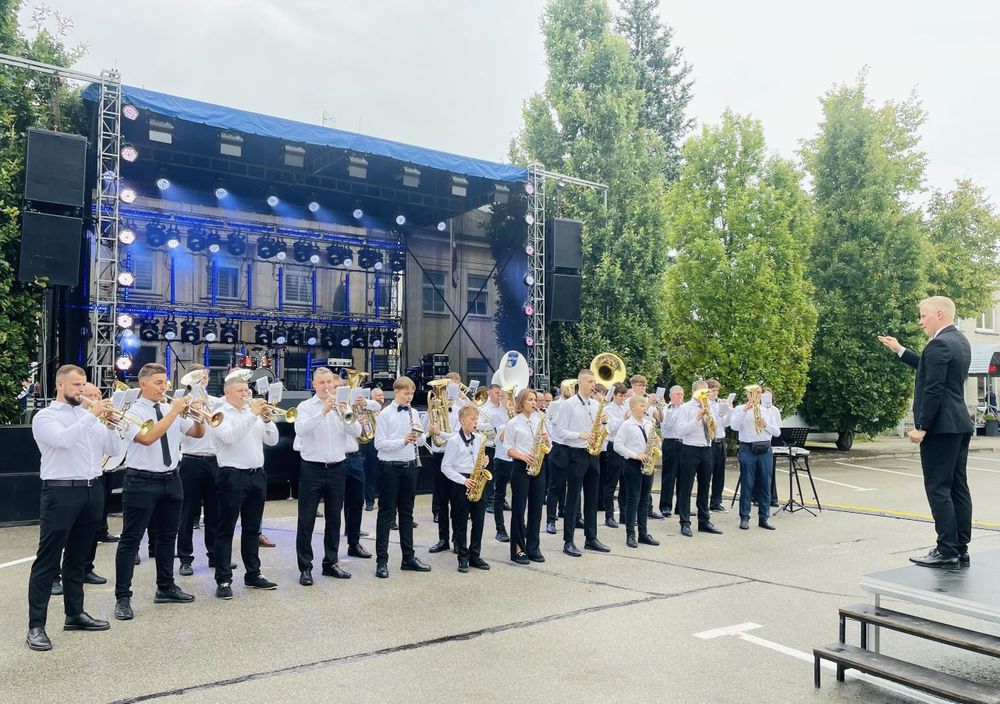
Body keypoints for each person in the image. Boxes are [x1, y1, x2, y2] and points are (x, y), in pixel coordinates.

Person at [26, 365, 123, 651]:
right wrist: (93, 416)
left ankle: (75, 613)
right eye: (76, 385)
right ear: (60, 385)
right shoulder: (46, 416)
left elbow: (114, 451)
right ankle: (36, 626)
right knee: (48, 559)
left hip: (92, 489)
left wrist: (111, 425)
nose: (81, 391)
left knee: (78, 558)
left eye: (83, 385)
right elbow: (63, 440)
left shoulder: (88, 416)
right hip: (60, 491)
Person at [879, 296, 974, 568]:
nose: (920, 321)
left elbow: (933, 388)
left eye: (923, 316)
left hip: (941, 428)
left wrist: (921, 426)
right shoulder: (960, 341)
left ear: (939, 314)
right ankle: (960, 548)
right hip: (958, 425)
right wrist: (900, 350)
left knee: (938, 488)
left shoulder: (938, 343)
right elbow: (929, 367)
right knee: (958, 487)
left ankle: (946, 550)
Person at [113, 363, 204, 621]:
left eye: (165, 382)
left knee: (167, 537)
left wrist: (199, 416)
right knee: (131, 540)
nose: (164, 387)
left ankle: (165, 586)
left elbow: (196, 434)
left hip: (171, 479)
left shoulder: (168, 409)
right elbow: (147, 438)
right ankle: (122, 597)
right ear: (143, 385)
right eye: (158, 383)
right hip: (141, 480)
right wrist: (174, 412)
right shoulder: (132, 412)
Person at [211, 375, 279, 598]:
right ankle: (223, 580)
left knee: (252, 529)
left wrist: (267, 421)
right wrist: (252, 415)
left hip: (256, 475)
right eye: (240, 390)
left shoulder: (254, 414)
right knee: (226, 529)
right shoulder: (220, 414)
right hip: (232, 476)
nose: (245, 394)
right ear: (227, 392)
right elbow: (230, 437)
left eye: (246, 390)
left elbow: (272, 441)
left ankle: (253, 574)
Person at [293, 367, 361, 585]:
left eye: (329, 382)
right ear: (314, 385)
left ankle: (330, 563)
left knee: (334, 519)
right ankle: (305, 567)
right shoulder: (305, 407)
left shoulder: (342, 406)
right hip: (312, 468)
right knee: (306, 520)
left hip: (337, 468)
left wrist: (344, 414)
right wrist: (323, 411)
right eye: (321, 383)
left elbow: (357, 432)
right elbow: (301, 430)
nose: (326, 386)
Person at [373, 377, 432, 579]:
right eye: (406, 393)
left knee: (407, 513)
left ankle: (408, 557)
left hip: (410, 466)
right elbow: (379, 444)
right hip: (390, 467)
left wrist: (419, 434)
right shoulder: (385, 414)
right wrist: (402, 441)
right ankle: (382, 561)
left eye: (412, 394)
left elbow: (421, 441)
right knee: (386, 514)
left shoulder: (413, 412)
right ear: (396, 392)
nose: (409, 397)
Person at [550, 368, 610, 556]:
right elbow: (560, 431)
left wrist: (603, 423)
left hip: (593, 454)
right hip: (575, 453)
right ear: (580, 383)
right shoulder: (568, 405)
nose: (593, 385)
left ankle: (591, 538)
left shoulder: (595, 404)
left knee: (592, 498)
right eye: (590, 382)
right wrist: (580, 435)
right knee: (573, 498)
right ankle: (568, 541)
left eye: (594, 382)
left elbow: (599, 428)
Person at [175, 365, 223, 576]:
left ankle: (215, 555)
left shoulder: (216, 402)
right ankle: (185, 558)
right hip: (191, 460)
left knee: (215, 512)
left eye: (204, 378)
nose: (202, 381)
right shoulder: (181, 405)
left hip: (214, 460)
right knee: (187, 512)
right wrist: (193, 412)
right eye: (197, 379)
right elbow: (180, 435)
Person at [439, 406, 492, 572]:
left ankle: (475, 555)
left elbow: (477, 460)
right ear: (462, 420)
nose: (476, 422)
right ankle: (462, 557)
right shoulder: (454, 440)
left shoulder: (479, 438)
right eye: (472, 419)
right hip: (461, 482)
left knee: (479, 520)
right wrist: (463, 481)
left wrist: (484, 462)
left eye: (476, 419)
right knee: (460, 521)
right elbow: (445, 467)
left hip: (477, 479)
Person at [504, 389, 549, 564]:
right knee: (519, 509)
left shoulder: (539, 420)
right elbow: (507, 448)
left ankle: (533, 547)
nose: (534, 402)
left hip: (538, 466)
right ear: (521, 402)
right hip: (521, 467)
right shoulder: (513, 423)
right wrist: (523, 456)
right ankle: (518, 550)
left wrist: (546, 440)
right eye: (530, 399)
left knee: (536, 509)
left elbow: (549, 446)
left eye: (535, 399)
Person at [673, 380, 723, 537]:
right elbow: (680, 431)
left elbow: (713, 429)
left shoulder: (709, 407)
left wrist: (713, 424)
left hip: (706, 448)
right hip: (690, 449)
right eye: (702, 392)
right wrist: (697, 418)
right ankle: (685, 522)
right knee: (686, 487)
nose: (705, 395)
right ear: (694, 392)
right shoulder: (685, 408)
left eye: (706, 392)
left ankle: (704, 521)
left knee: (705, 486)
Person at [729, 386, 780, 530]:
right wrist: (745, 409)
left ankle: (764, 518)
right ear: (747, 394)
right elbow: (734, 426)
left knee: (765, 484)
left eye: (758, 393)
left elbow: (777, 432)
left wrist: (766, 424)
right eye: (752, 393)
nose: (756, 395)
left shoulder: (768, 410)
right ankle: (744, 517)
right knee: (747, 483)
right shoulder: (740, 408)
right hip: (748, 448)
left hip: (765, 449)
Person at [614, 395, 661, 548]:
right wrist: (635, 455)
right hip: (632, 464)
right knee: (633, 499)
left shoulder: (649, 424)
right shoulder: (626, 425)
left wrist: (657, 442)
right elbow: (617, 446)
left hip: (648, 463)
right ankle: (630, 534)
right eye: (641, 406)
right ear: (633, 407)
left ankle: (643, 533)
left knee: (645, 499)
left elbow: (658, 443)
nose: (644, 408)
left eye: (645, 406)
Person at [544, 380, 575, 535]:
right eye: (569, 388)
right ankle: (550, 520)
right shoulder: (556, 404)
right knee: (555, 486)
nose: (571, 390)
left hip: (574, 448)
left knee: (572, 486)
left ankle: (567, 512)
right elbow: (550, 422)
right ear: (562, 390)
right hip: (559, 446)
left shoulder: (577, 404)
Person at [601, 383, 628, 528]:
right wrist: (623, 418)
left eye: (624, 396)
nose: (623, 399)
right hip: (613, 447)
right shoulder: (608, 409)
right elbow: (610, 428)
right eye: (620, 396)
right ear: (614, 395)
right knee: (611, 483)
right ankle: (609, 516)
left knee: (625, 483)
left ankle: (624, 514)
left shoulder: (626, 407)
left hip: (625, 447)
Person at [658, 386, 685, 517]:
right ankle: (665, 506)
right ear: (670, 396)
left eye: (682, 394)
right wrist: (673, 410)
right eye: (677, 394)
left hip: (684, 443)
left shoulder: (686, 408)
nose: (680, 397)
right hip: (671, 442)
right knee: (669, 476)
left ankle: (681, 507)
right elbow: (666, 426)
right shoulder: (665, 408)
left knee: (684, 477)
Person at [706, 379, 733, 512]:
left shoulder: (719, 404)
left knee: (719, 473)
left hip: (721, 440)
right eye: (713, 390)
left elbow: (726, 423)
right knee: (706, 473)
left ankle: (716, 502)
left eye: (717, 390)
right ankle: (703, 503)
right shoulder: (705, 404)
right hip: (710, 441)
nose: (715, 393)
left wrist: (728, 410)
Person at [363, 386, 386, 511]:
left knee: (384, 474)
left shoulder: (386, 412)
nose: (381, 398)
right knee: (371, 473)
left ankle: (383, 500)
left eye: (382, 396)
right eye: (378, 396)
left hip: (384, 444)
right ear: (371, 398)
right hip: (371, 442)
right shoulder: (366, 412)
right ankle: (369, 501)